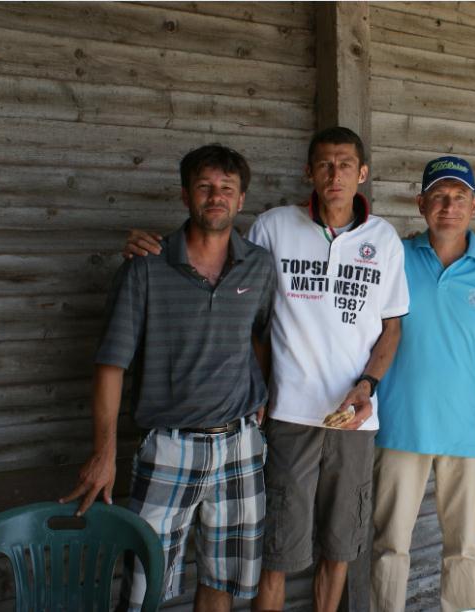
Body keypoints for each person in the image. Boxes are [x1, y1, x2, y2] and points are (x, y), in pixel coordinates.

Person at [124, 127, 409, 612]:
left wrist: (368, 385)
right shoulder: (273, 227)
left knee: (340, 546)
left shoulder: (383, 239)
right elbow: (230, 282)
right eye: (324, 164)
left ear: (362, 173)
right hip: (287, 414)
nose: (335, 174)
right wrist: (148, 246)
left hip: (354, 419)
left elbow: (392, 328)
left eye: (345, 164)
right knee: (276, 550)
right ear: (308, 172)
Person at [62, 144, 275, 612]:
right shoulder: (145, 267)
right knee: (144, 586)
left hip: (240, 445)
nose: (216, 197)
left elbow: (259, 336)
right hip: (169, 447)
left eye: (227, 188)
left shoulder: (259, 265)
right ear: (185, 195)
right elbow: (110, 366)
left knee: (223, 581)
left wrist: (260, 394)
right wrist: (104, 453)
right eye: (204, 187)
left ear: (241, 200)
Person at [371, 157, 475, 612]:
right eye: (439, 197)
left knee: (464, 549)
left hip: (467, 434)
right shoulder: (396, 258)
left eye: (459, 197)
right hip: (400, 427)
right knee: (389, 546)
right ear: (420, 203)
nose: (449, 207)